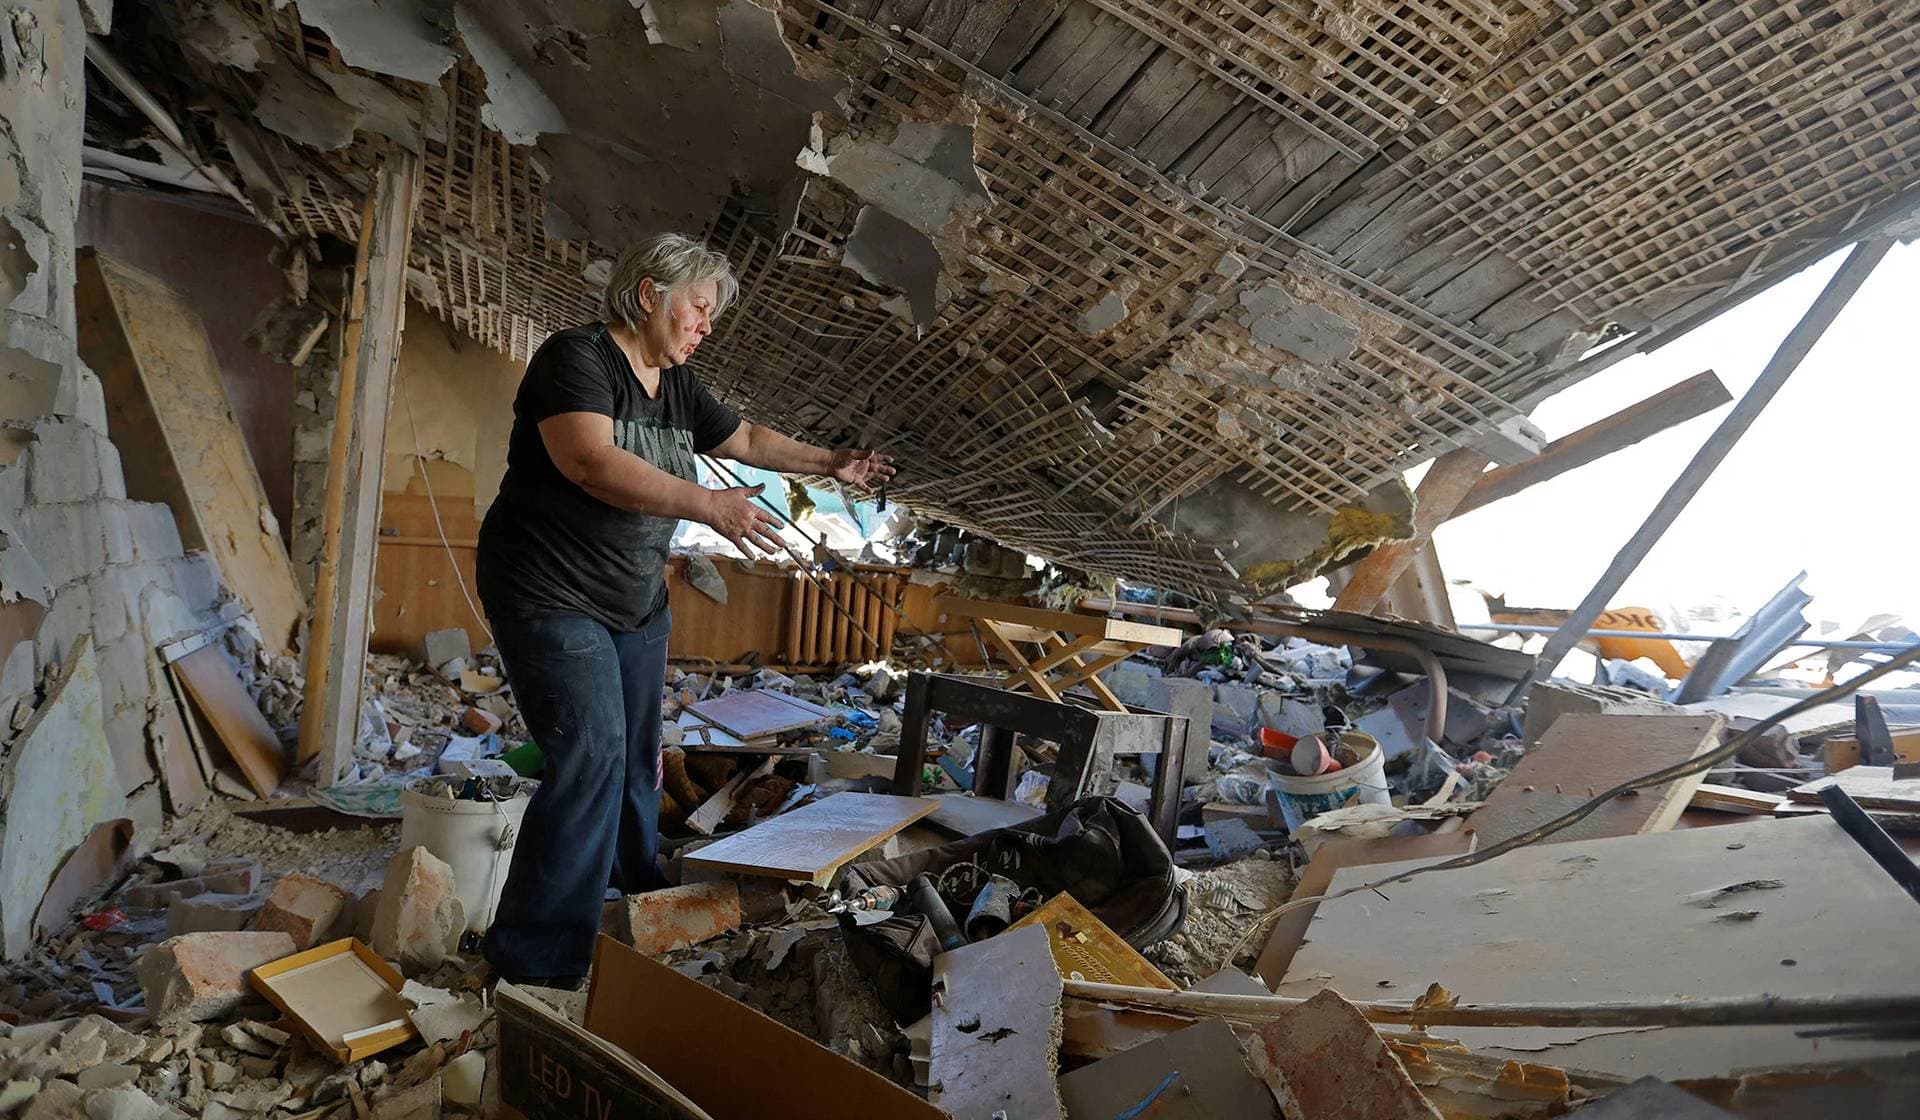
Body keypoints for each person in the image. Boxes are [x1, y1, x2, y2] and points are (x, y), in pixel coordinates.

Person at [475, 232, 894, 985]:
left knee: (639, 759)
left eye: (710, 317)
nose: (705, 327)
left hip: (632, 598)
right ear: (649, 295)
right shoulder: (577, 359)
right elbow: (589, 460)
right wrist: (708, 504)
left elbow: (751, 438)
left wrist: (832, 462)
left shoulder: (680, 389)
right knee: (591, 760)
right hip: (547, 590)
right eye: (698, 308)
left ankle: (635, 900)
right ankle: (535, 959)